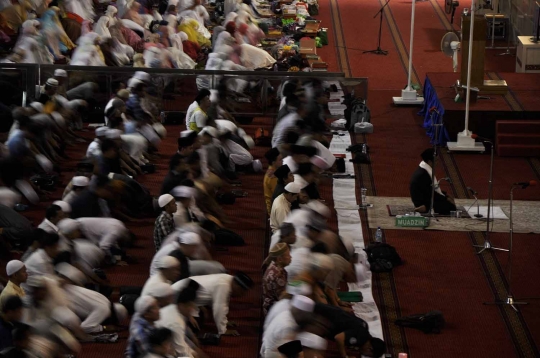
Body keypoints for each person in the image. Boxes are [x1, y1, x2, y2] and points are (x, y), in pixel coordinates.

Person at [171, 272, 253, 336]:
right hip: (177, 297)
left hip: (189, 297)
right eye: (242, 292)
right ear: (238, 287)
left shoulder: (228, 279)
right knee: (195, 326)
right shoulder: (223, 285)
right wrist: (223, 330)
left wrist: (225, 321)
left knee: (202, 316)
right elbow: (219, 308)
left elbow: (223, 303)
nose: (242, 295)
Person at [56, 263, 127, 333]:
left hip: (61, 287)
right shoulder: (104, 310)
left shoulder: (104, 299)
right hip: (59, 299)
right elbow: (85, 328)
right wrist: (104, 328)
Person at [313, 302, 386, 358]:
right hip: (318, 315)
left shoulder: (365, 329)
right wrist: (345, 356)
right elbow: (339, 338)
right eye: (368, 355)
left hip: (324, 312)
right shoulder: (360, 336)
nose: (364, 355)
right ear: (370, 349)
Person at [156, 282, 205, 358]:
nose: (192, 309)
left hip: (165, 342)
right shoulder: (176, 322)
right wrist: (193, 354)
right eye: (190, 306)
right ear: (181, 305)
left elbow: (181, 340)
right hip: (160, 349)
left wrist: (193, 350)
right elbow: (181, 351)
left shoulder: (172, 308)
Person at [409, 148, 456, 215]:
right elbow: (430, 194)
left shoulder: (424, 169)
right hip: (421, 201)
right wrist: (445, 198)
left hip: (424, 196)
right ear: (429, 162)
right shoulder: (423, 175)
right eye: (436, 160)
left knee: (447, 203)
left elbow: (430, 190)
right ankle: (426, 208)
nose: (437, 163)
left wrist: (445, 194)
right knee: (451, 208)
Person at [262, 243, 291, 315]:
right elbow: (283, 298)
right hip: (274, 310)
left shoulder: (273, 265)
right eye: (288, 255)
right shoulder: (278, 275)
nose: (291, 257)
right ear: (280, 259)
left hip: (268, 303)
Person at [263, 147, 282, 215]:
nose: (282, 161)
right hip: (275, 209)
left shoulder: (274, 171)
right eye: (280, 160)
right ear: (274, 162)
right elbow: (279, 195)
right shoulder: (272, 178)